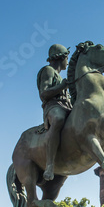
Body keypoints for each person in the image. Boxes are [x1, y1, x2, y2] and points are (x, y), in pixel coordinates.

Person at [36, 44, 72, 181]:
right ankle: (50, 164)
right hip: (52, 106)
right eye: (67, 58)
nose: (67, 62)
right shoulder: (48, 70)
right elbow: (44, 94)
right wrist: (62, 86)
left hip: (66, 106)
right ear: (61, 58)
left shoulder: (60, 76)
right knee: (58, 119)